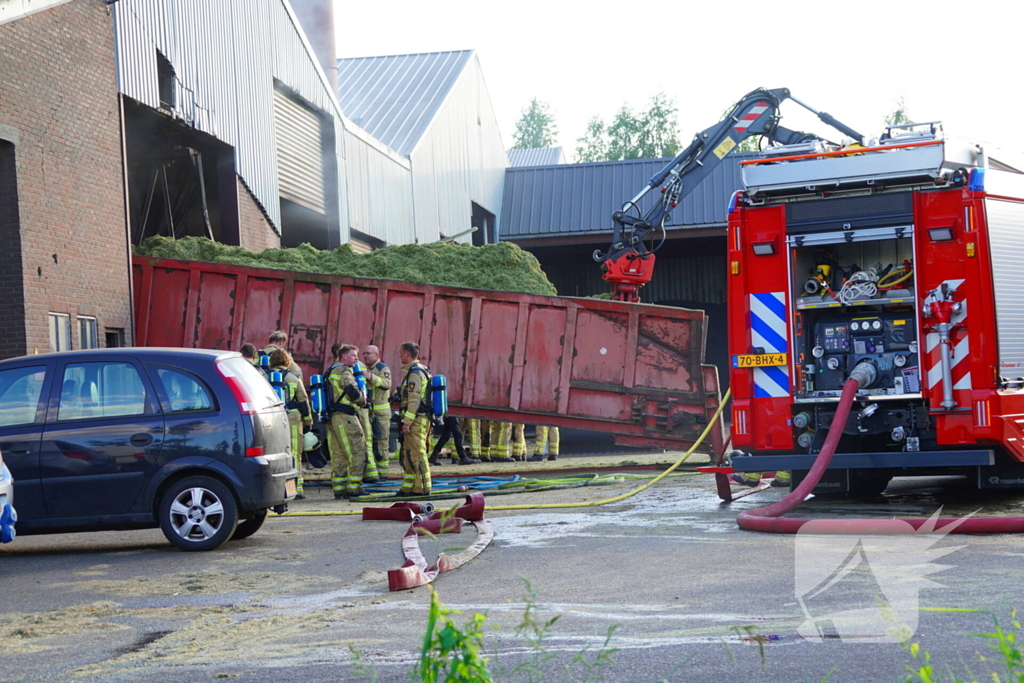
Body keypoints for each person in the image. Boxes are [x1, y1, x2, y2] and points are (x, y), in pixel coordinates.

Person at [269, 349, 312, 499]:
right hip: (293, 418)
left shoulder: (264, 377)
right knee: (294, 452)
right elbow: (303, 400)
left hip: (271, 419)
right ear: (287, 361)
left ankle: (275, 490)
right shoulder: (293, 377)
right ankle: (297, 489)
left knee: (273, 453)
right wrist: (308, 421)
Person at [327, 344, 368, 499]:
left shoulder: (331, 370)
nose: (356, 359)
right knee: (358, 449)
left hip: (334, 417)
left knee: (339, 454)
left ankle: (339, 488)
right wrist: (362, 400)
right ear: (343, 357)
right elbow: (350, 389)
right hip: (346, 416)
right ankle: (354, 488)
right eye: (353, 355)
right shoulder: (343, 370)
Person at [397, 341, 432, 496]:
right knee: (409, 453)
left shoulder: (415, 373)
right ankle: (409, 487)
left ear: (407, 354)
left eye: (400, 353)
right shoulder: (420, 370)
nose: (399, 356)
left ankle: (422, 488)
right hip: (419, 418)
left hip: (417, 419)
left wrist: (407, 422)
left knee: (417, 453)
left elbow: (414, 399)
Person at [362, 345, 393, 473]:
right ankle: (372, 471)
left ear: (376, 355)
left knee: (381, 442)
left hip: (381, 413)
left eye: (368, 353)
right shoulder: (367, 368)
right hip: (370, 412)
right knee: (370, 442)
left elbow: (387, 384)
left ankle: (383, 472)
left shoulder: (382, 368)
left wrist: (371, 377)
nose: (365, 356)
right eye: (364, 353)